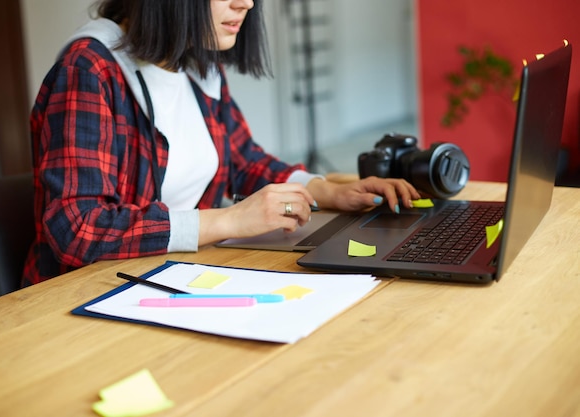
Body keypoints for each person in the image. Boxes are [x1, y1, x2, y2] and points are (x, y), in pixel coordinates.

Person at [22, 0, 420, 287]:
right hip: (91, 294)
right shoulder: (88, 69)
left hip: (175, 274)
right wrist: (228, 221)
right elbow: (76, 228)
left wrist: (327, 190)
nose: (245, 3)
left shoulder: (195, 63)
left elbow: (241, 158)